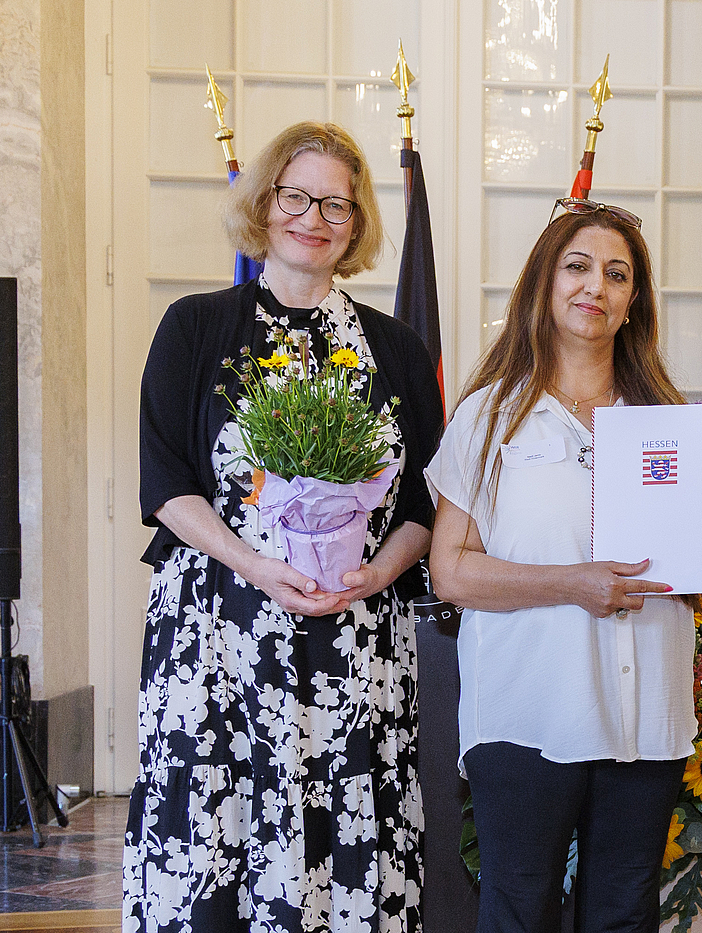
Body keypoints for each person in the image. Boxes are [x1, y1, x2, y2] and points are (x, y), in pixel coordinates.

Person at [125, 121, 443, 933]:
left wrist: (374, 574)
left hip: (354, 637)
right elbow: (167, 484)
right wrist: (254, 563)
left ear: (358, 222)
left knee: (346, 843)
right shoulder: (194, 328)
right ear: (264, 205)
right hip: (218, 632)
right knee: (215, 839)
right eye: (296, 196)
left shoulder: (396, 348)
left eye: (337, 203)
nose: (315, 217)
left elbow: (419, 506)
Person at [425, 199, 702, 933]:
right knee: (520, 903)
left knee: (625, 911)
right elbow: (452, 571)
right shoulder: (490, 414)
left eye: (616, 273)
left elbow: (675, 571)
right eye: (576, 267)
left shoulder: (665, 416)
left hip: (645, 712)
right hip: (529, 706)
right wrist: (574, 582)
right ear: (544, 283)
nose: (594, 286)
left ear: (633, 302)